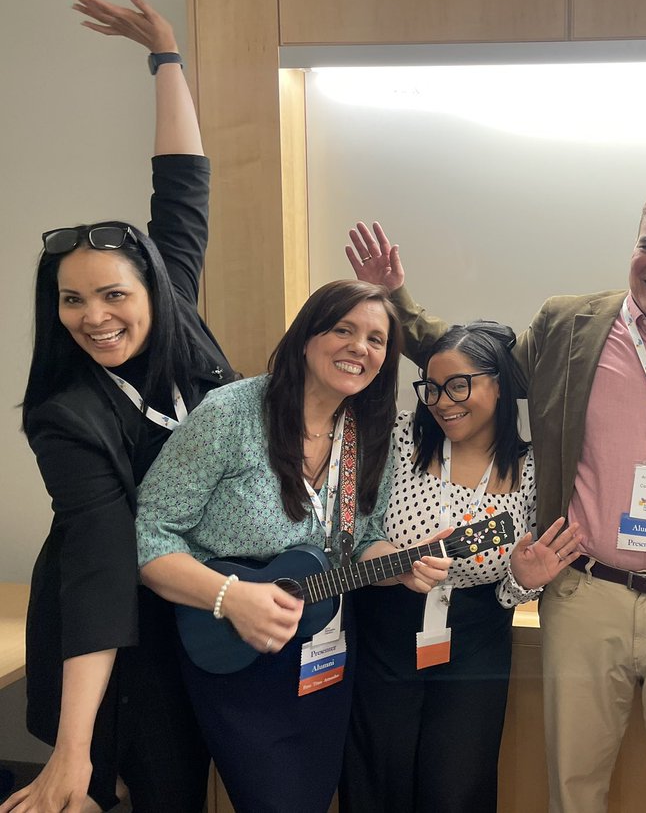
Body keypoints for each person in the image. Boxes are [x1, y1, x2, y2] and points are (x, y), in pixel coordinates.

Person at [347, 184, 646, 812]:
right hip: (584, 594)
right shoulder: (568, 325)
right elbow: (474, 365)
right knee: (573, 782)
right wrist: (394, 298)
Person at [9, 0, 233, 813]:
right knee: (105, 786)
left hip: (197, 608)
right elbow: (102, 562)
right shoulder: (66, 413)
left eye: (111, 294)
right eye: (72, 302)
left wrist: (165, 57)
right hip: (108, 634)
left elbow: (183, 187)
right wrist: (73, 752)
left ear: (153, 288)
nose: (93, 318)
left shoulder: (181, 322)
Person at [134, 280, 452, 813]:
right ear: (307, 336)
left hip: (323, 651)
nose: (360, 347)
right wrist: (230, 597)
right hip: (231, 645)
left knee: (311, 794)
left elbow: (363, 543)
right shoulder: (230, 413)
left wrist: (399, 564)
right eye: (343, 330)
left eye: (376, 339)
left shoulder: (368, 434)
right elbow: (149, 535)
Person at [340, 320, 582, 813]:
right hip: (387, 626)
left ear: (500, 384)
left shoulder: (531, 469)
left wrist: (523, 582)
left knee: (458, 784)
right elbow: (357, 530)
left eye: (458, 385)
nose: (442, 401)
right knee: (378, 776)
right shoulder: (401, 437)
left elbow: (512, 585)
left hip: (477, 637)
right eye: (431, 387)